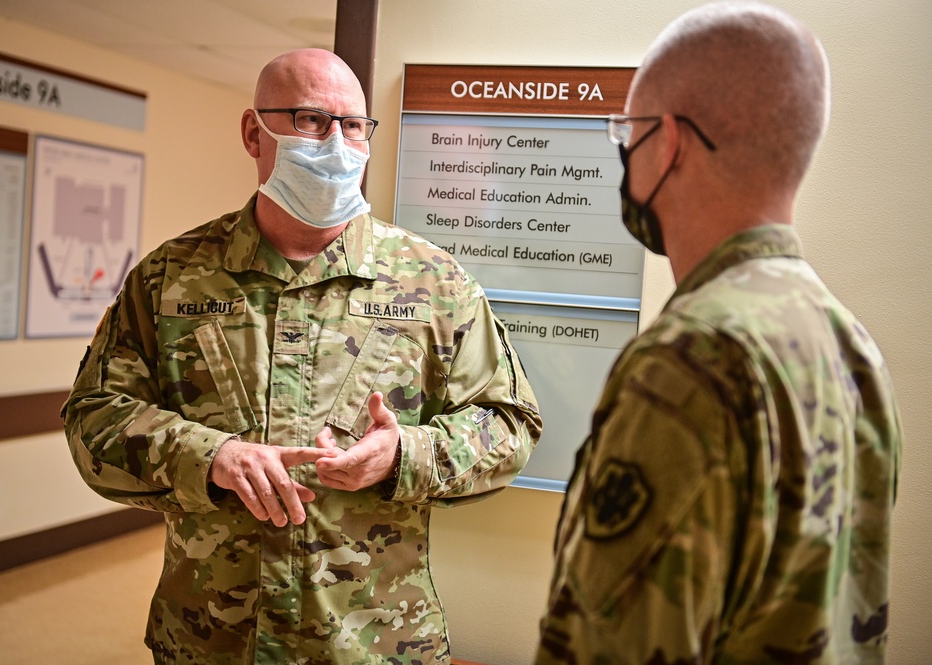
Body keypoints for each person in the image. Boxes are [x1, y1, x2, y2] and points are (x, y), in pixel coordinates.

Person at [62, 48, 542, 664]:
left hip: (373, 642)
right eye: (311, 120)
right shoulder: (171, 278)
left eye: (352, 126)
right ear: (252, 133)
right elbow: (93, 419)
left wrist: (406, 454)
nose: (337, 144)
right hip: (213, 642)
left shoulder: (434, 283)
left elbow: (510, 424)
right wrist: (210, 457)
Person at [535, 2, 902, 663]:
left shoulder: (690, 359)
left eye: (629, 134)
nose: (626, 153)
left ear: (668, 140)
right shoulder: (850, 344)